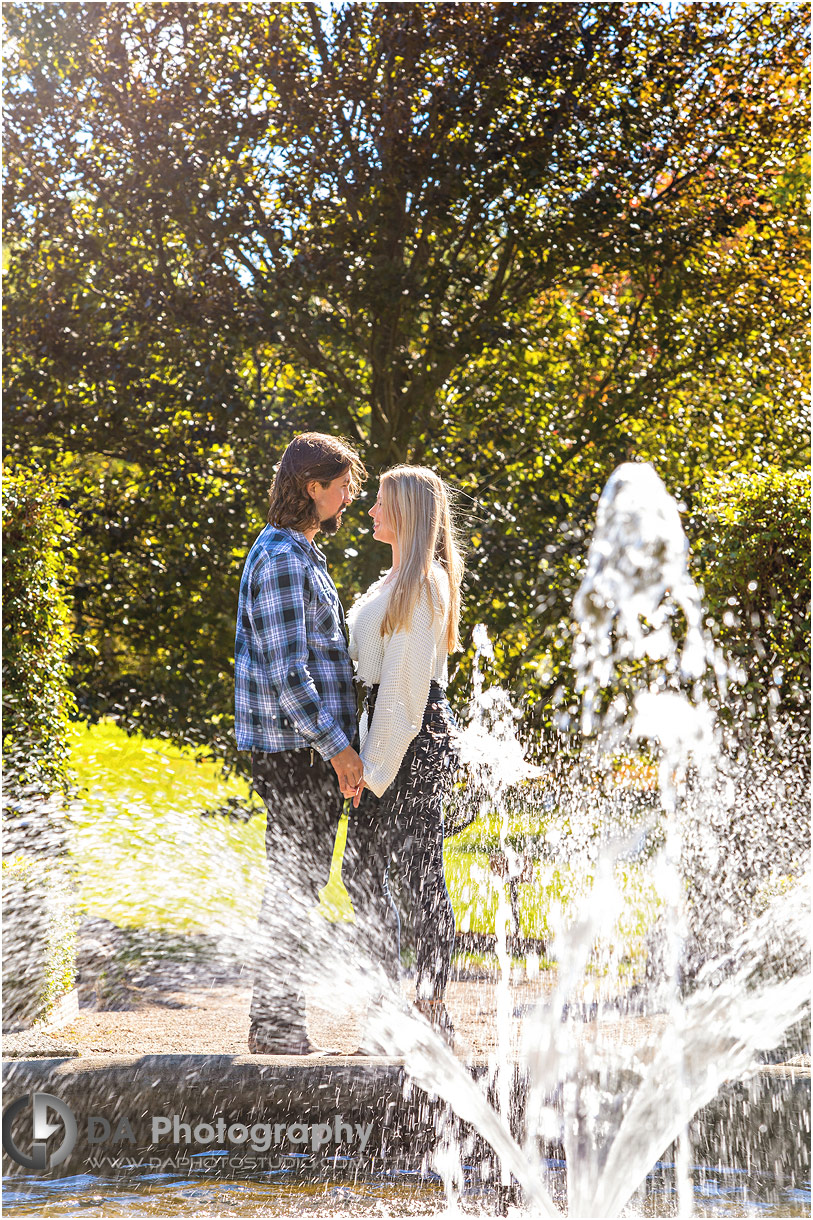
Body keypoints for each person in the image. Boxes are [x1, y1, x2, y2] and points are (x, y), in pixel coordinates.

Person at [235, 432, 366, 1055]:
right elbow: (291, 674)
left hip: (299, 748)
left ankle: (277, 1024)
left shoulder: (298, 552)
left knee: (299, 882)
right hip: (296, 752)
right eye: (342, 486)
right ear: (312, 488)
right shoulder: (285, 559)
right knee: (294, 885)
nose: (350, 497)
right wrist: (339, 748)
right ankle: (277, 1028)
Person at [343, 466, 464, 1045]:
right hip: (390, 731)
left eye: (381, 504)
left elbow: (403, 692)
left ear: (407, 514)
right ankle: (389, 997)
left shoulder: (423, 586)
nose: (369, 512)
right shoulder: (391, 582)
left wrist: (371, 770)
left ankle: (431, 1002)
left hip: (411, 736)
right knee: (364, 871)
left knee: (417, 872)